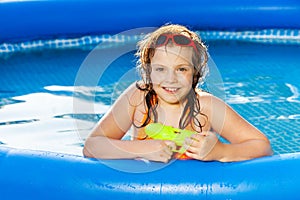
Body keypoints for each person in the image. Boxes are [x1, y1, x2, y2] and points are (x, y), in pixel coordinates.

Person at [83, 24, 273, 163]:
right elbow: (92, 146)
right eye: (160, 69)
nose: (171, 79)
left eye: (181, 69)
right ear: (148, 72)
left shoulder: (207, 107)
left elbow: (262, 146)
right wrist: (141, 149)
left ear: (195, 73)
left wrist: (221, 151)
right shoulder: (137, 97)